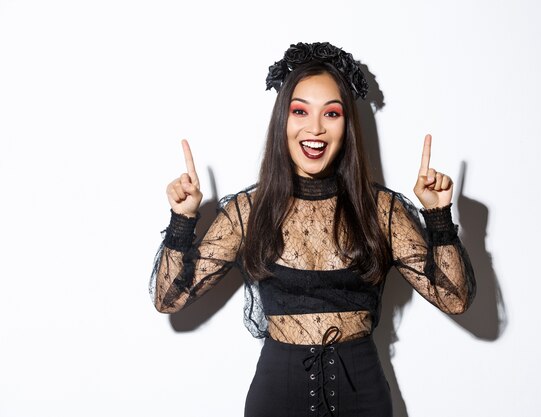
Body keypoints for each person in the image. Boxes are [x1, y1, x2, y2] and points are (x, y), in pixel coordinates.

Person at [150, 42, 476, 417]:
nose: (315, 128)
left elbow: (454, 299)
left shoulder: (381, 210)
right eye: (300, 111)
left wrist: (438, 217)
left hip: (363, 399)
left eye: (331, 113)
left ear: (347, 125)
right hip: (276, 398)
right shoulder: (249, 211)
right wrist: (182, 219)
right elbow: (169, 299)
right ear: (282, 121)